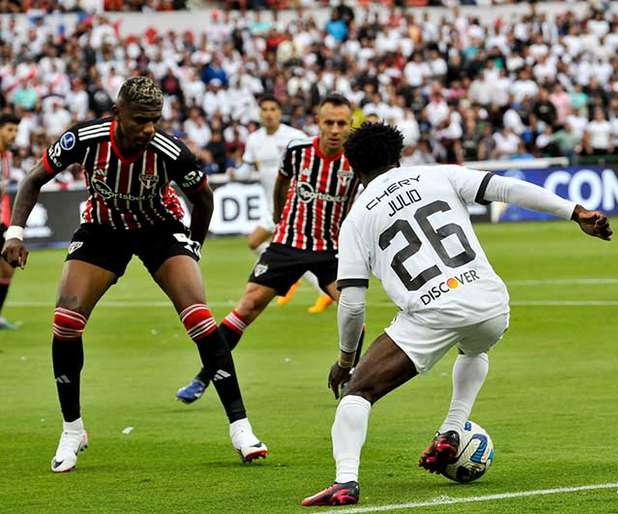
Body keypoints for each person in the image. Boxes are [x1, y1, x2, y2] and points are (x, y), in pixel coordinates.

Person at [301, 123, 613, 506]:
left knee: (359, 392)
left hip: (431, 311)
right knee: (475, 349)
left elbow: (351, 302)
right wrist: (574, 211)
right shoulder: (437, 174)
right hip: (491, 302)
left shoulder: (356, 220)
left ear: (352, 169)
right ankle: (451, 429)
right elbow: (506, 188)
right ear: (399, 155)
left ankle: (345, 481)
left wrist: (345, 359)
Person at [0, 77, 267, 472]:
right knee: (65, 321)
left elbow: (204, 199)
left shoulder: (170, 150)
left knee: (198, 316)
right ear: (117, 114)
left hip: (159, 228)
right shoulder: (84, 138)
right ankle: (72, 429)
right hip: (103, 231)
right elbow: (33, 180)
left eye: (155, 120)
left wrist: (193, 245)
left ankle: (241, 427)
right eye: (140, 120)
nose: (148, 129)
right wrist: (15, 233)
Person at [175, 94, 362, 404]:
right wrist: (278, 217)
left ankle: (350, 377)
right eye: (328, 122)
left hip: (331, 249)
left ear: (350, 125)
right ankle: (203, 377)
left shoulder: (357, 160)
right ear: (318, 122)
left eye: (342, 123)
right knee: (246, 307)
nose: (334, 129)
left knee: (354, 312)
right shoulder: (298, 151)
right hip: (287, 244)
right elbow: (281, 183)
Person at [239, 95, 332, 314]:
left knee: (261, 242)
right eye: (265, 109)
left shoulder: (294, 136)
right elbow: (247, 167)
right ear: (260, 113)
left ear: (280, 112)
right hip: (272, 205)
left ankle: (301, 283)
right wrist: (235, 171)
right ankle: (297, 281)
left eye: (273, 108)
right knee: (257, 243)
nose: (269, 113)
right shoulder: (254, 139)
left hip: (294, 205)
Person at [0, 114, 20, 330]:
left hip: (1, 222)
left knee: (8, 267)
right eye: (9, 130)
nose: (13, 135)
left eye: (15, 131)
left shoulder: (5, 156)